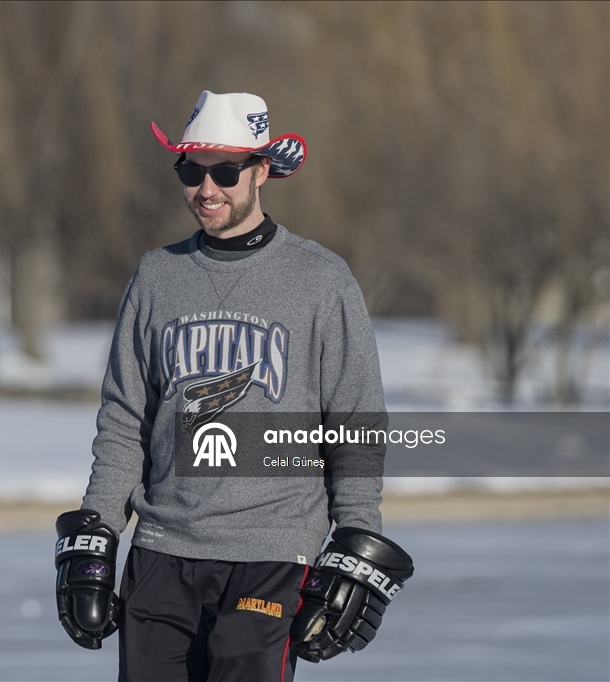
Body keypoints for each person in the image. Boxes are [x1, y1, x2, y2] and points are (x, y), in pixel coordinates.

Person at [54, 91, 413, 682]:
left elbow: (356, 418)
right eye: (191, 171)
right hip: (163, 550)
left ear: (262, 171)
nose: (206, 189)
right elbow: (124, 418)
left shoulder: (320, 279)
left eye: (224, 171)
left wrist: (356, 534)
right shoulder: (156, 275)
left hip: (271, 555)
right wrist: (98, 529)